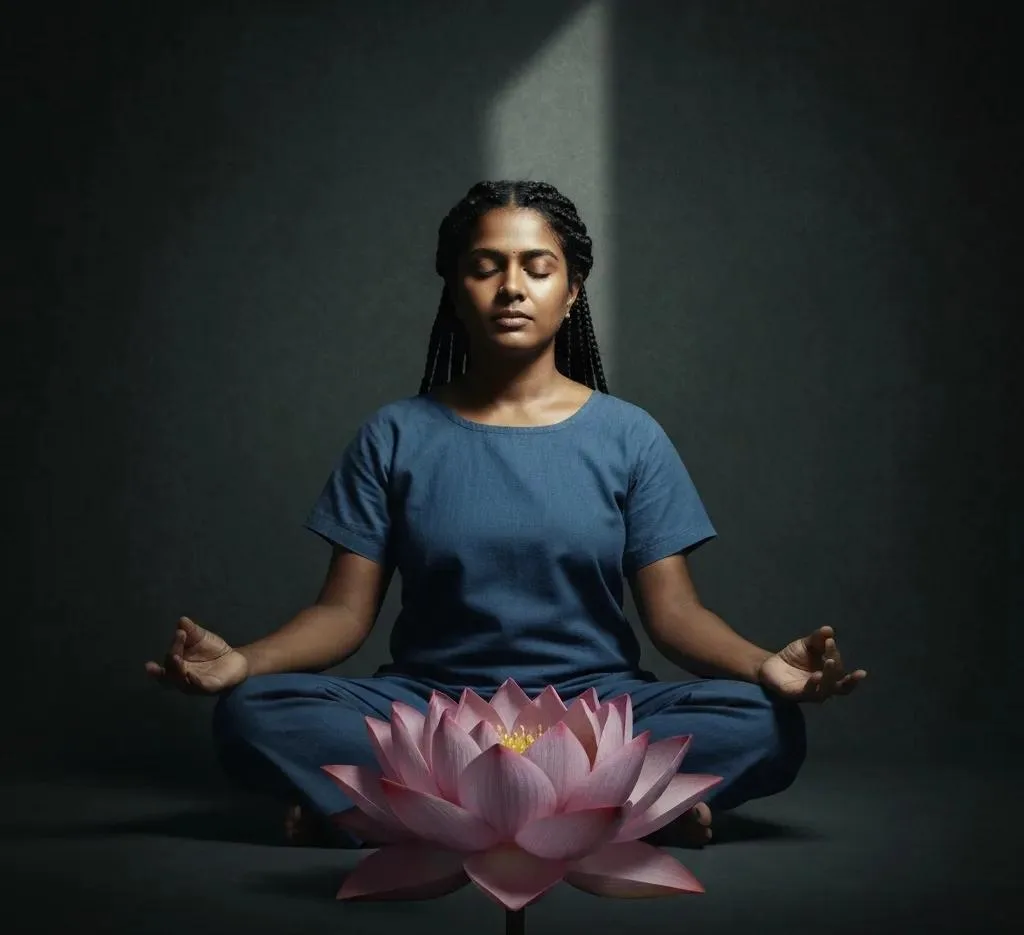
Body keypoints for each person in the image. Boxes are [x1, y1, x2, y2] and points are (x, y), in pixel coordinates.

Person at [145, 180, 867, 849]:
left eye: (538, 267)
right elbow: (341, 616)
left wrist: (765, 667)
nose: (512, 287)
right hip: (428, 714)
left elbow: (676, 616)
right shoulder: (394, 435)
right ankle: (616, 814)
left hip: (597, 715)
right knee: (253, 712)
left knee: (764, 723)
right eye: (487, 266)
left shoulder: (629, 436)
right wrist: (244, 662)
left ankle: (384, 812)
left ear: (573, 288)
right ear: (455, 287)